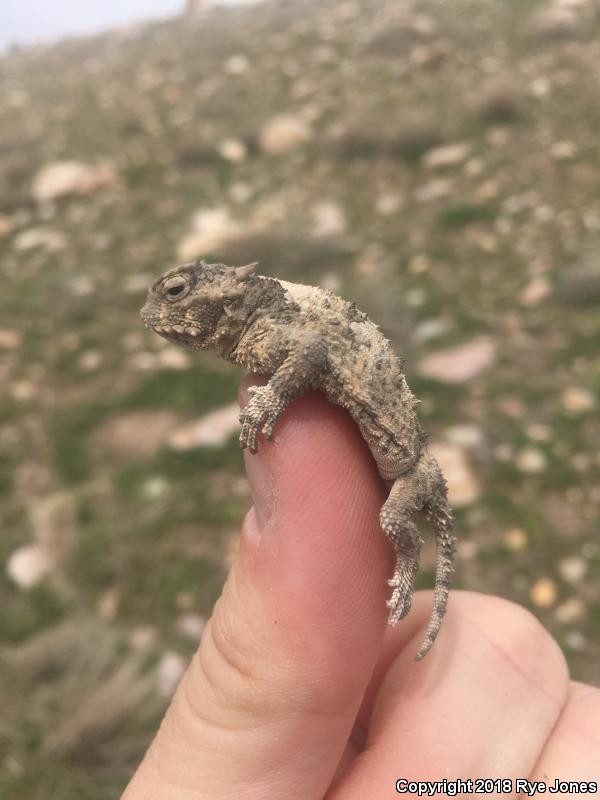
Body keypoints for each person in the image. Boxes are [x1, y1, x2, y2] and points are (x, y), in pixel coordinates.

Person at [124, 380, 600, 799]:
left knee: (392, 519)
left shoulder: (289, 334)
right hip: (400, 456)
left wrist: (275, 397)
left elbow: (309, 356)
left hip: (411, 469)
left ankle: (409, 562)